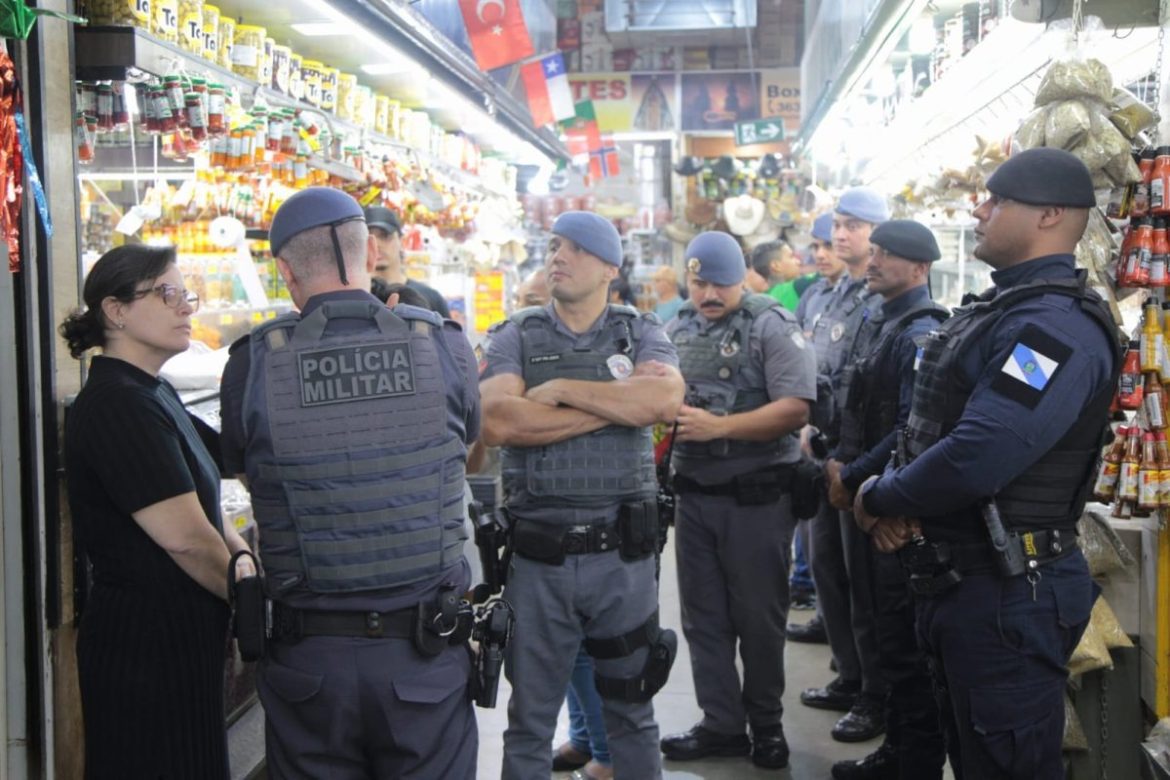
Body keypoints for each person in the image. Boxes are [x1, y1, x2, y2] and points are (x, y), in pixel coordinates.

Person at [854, 148, 1120, 780]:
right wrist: (894, 497)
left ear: (1049, 215)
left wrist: (881, 497)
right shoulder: (1004, 311)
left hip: (1007, 593)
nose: (978, 209)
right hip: (965, 582)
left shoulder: (1052, 331)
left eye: (997, 200)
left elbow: (979, 453)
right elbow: (930, 428)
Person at [219, 188, 480, 778]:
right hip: (423, 654)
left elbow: (249, 476)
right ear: (372, 254)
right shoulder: (443, 344)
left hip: (311, 665)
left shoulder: (252, 363)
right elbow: (458, 449)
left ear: (285, 271)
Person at [480, 210, 684, 780]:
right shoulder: (516, 333)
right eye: (554, 246)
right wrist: (616, 407)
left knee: (632, 712)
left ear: (610, 268)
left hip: (622, 559)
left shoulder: (639, 331)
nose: (558, 257)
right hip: (538, 562)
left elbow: (664, 401)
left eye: (576, 248)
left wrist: (562, 390)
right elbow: (497, 420)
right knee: (529, 721)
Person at [60, 245, 252, 780]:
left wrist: (240, 553)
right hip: (145, 649)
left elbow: (203, 496)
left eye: (186, 294)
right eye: (167, 294)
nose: (185, 307)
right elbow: (184, 538)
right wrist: (251, 602)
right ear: (115, 311)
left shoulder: (152, 391)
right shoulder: (117, 404)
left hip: (179, 642)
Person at [659, 231, 816, 771]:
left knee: (758, 620)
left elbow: (796, 408)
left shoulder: (770, 323)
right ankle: (721, 724)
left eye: (721, 284)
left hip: (757, 501)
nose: (709, 294)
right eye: (699, 283)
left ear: (743, 278)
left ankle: (766, 725)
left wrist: (719, 426)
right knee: (704, 620)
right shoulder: (674, 327)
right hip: (694, 499)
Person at [822, 221, 949, 780]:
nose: (871, 261)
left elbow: (909, 431)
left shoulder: (920, 332)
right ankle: (896, 751)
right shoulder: (881, 322)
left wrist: (852, 476)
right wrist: (837, 462)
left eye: (885, 254)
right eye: (872, 251)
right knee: (885, 629)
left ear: (919, 268)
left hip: (894, 507)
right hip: (868, 495)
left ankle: (913, 762)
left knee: (903, 640)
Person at [796, 188, 888, 745]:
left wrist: (849, 463)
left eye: (854, 224)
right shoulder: (827, 296)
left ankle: (873, 691)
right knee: (826, 565)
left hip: (858, 459)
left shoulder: (880, 297)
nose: (840, 233)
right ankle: (849, 672)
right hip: (821, 450)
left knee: (864, 581)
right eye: (838, 224)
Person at [364, 205, 451, 316]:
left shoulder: (430, 297)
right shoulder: (357, 298)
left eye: (384, 236)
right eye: (368, 238)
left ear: (401, 241)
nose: (376, 244)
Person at [749, 240, 805, 311]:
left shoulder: (759, 304)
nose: (798, 262)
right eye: (791, 257)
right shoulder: (796, 287)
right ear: (776, 266)